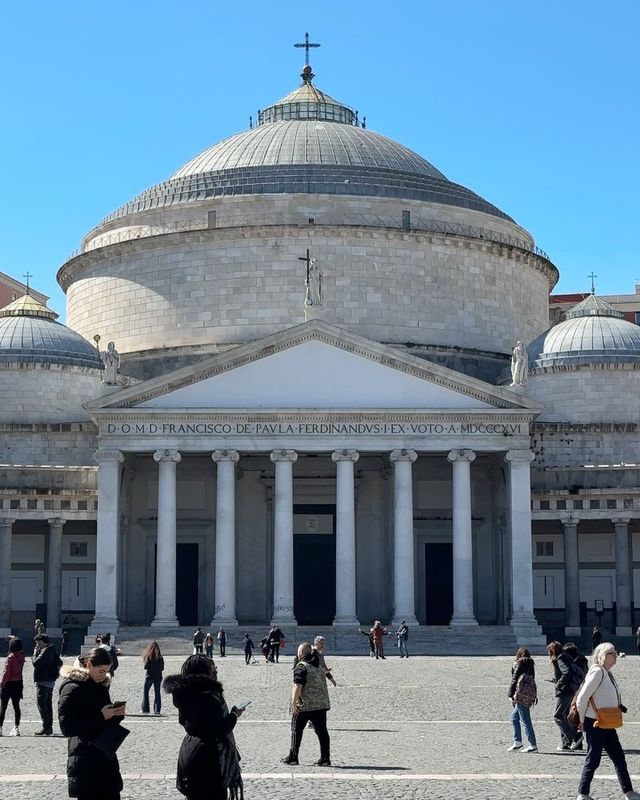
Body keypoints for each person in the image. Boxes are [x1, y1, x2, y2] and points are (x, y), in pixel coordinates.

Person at [163, 654, 244, 800]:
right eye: (212, 668)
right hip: (209, 758)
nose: (215, 671)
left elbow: (184, 721)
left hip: (190, 750)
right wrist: (234, 715)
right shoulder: (208, 697)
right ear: (203, 672)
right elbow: (219, 729)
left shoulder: (186, 693)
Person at [58, 647, 127, 800]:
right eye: (101, 671)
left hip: (105, 757)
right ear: (89, 665)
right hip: (85, 759)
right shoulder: (71, 688)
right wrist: (102, 716)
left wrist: (116, 714)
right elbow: (67, 728)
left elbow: (104, 718)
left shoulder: (101, 686)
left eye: (107, 671)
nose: (104, 676)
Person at [575, 643, 640, 800]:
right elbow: (582, 698)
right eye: (613, 653)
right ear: (604, 655)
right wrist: (582, 721)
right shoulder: (597, 671)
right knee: (594, 758)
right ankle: (582, 793)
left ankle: (628, 791)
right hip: (595, 722)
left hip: (607, 722)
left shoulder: (606, 672)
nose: (616, 655)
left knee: (618, 757)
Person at [281, 642, 331, 766]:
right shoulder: (318, 666)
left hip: (304, 706)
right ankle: (325, 758)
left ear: (301, 653)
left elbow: (298, 685)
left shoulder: (301, 666)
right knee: (322, 732)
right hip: (320, 705)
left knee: (296, 730)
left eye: (298, 652)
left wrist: (294, 703)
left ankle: (293, 757)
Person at [547, 641, 583, 751]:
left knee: (557, 716)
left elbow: (566, 672)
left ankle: (574, 736)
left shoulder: (560, 658)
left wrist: (559, 684)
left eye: (549, 651)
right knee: (564, 715)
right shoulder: (566, 657)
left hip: (564, 691)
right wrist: (556, 680)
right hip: (570, 689)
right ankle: (567, 743)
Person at [507, 646, 537, 752]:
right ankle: (518, 742)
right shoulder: (530, 665)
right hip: (528, 694)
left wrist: (510, 694)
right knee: (514, 718)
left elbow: (514, 679)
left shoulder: (519, 664)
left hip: (520, 694)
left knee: (525, 720)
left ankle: (532, 745)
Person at [33, 634, 62, 735]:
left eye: (38, 642)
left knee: (42, 704)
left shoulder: (45, 651)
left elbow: (36, 663)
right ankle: (49, 727)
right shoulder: (53, 649)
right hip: (50, 680)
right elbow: (59, 662)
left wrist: (35, 653)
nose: (37, 645)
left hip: (43, 680)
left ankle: (46, 727)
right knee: (47, 704)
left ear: (42, 641)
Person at [0, 637, 25, 736]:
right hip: (18, 683)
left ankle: (0, 727)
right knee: (16, 707)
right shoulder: (21, 656)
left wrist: (2, 684)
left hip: (8, 684)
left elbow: (6, 673)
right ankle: (16, 728)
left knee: (3, 707)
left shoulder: (10, 658)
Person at [141, 641, 164, 715]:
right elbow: (162, 668)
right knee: (157, 693)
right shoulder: (160, 657)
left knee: (146, 692)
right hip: (158, 676)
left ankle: (145, 709)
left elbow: (145, 667)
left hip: (149, 676)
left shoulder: (149, 656)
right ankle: (157, 710)